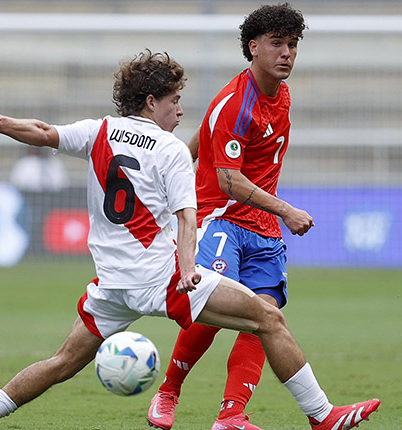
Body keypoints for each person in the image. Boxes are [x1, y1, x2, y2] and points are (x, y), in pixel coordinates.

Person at [0, 50, 379, 430]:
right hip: (161, 281)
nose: (181, 111)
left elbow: (43, 132)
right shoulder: (170, 151)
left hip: (111, 287)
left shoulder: (99, 131)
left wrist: (1, 123)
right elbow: (189, 219)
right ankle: (322, 416)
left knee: (60, 364)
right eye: (175, 101)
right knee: (269, 316)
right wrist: (188, 271)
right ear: (151, 102)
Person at [147, 4, 317, 430]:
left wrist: (179, 159)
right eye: (277, 44)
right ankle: (168, 390)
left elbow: (204, 136)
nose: (287, 54)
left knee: (265, 318)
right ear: (252, 47)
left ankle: (232, 415)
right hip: (221, 219)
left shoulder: (281, 93)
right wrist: (288, 210)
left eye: (292, 44)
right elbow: (230, 182)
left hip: (263, 228)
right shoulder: (234, 101)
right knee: (212, 310)